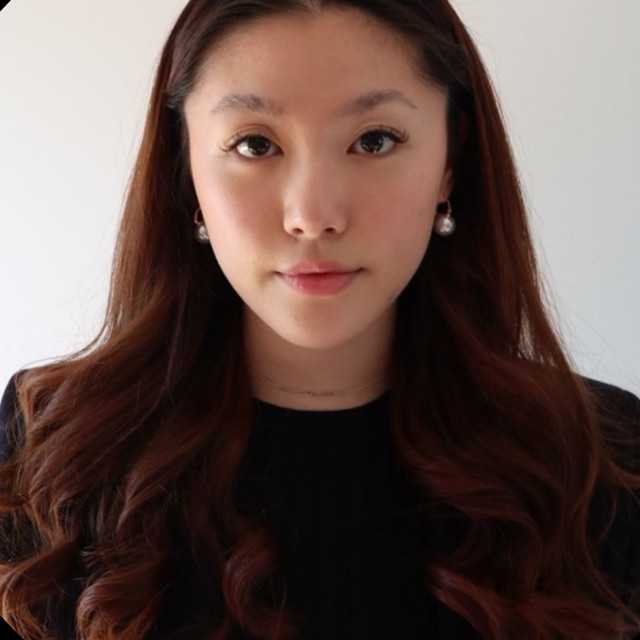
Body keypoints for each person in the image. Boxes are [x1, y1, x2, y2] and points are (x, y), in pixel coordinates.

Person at [1, 1, 639, 639]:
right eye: (255, 144)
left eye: (374, 140)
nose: (312, 215)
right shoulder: (52, 450)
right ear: (186, 169)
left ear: (451, 161)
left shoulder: (599, 460)